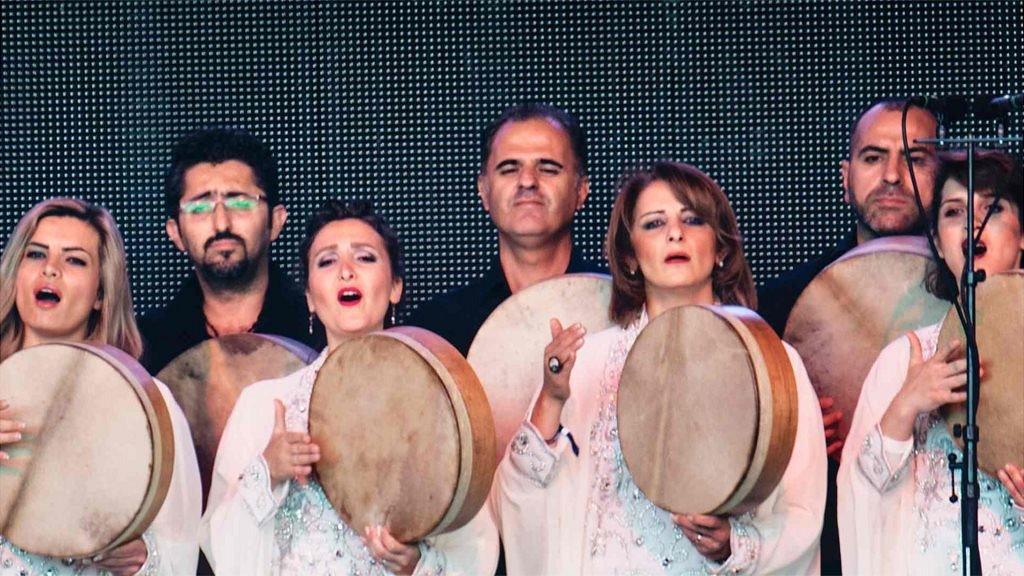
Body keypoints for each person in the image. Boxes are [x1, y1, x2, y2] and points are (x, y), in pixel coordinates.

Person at [493, 162, 827, 574]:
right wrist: (552, 398)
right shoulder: (589, 362)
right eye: (654, 224)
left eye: (693, 220)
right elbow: (519, 497)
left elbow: (804, 507)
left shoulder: (772, 363)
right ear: (630, 255)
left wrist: (733, 546)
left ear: (721, 249)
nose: (675, 233)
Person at [201, 199, 498, 575]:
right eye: (326, 261)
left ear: (395, 287)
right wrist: (268, 471)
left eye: (365, 258)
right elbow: (222, 551)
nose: (346, 272)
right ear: (309, 297)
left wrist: (418, 566)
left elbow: (476, 545)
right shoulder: (263, 405)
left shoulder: (441, 406)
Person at [756, 97, 940, 574]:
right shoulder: (779, 306)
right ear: (845, 178)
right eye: (873, 158)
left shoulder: (979, 296)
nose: (893, 176)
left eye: (915, 158)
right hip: (829, 543)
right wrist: (792, 431)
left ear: (944, 176)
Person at [837, 149, 1024, 574]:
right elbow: (858, 497)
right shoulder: (906, 358)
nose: (972, 223)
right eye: (954, 211)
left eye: (992, 209)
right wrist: (905, 406)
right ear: (938, 241)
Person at [0, 197, 201, 575]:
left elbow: (182, 545)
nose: (51, 270)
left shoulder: (145, 404)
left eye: (74, 260)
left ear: (100, 295)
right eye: (36, 255)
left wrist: (145, 559)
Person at [408, 103, 604, 355]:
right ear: (484, 190)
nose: (527, 181)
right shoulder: (436, 330)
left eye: (548, 169)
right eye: (509, 169)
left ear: (581, 190)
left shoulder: (624, 311)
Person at [138, 127, 321, 375]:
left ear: (276, 222)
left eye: (241, 203)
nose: (222, 223)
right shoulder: (145, 346)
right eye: (200, 208)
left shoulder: (320, 328)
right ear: (175, 233)